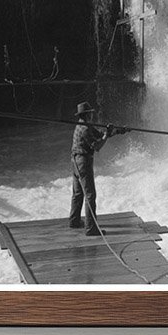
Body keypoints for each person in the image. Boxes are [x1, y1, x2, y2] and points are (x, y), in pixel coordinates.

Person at [68, 101, 129, 236]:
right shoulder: (85, 129)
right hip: (83, 162)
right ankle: (91, 229)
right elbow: (97, 146)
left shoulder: (82, 125)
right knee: (90, 195)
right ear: (87, 114)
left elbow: (99, 134)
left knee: (78, 193)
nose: (92, 115)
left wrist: (117, 131)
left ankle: (74, 221)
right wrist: (106, 135)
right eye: (90, 113)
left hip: (75, 161)